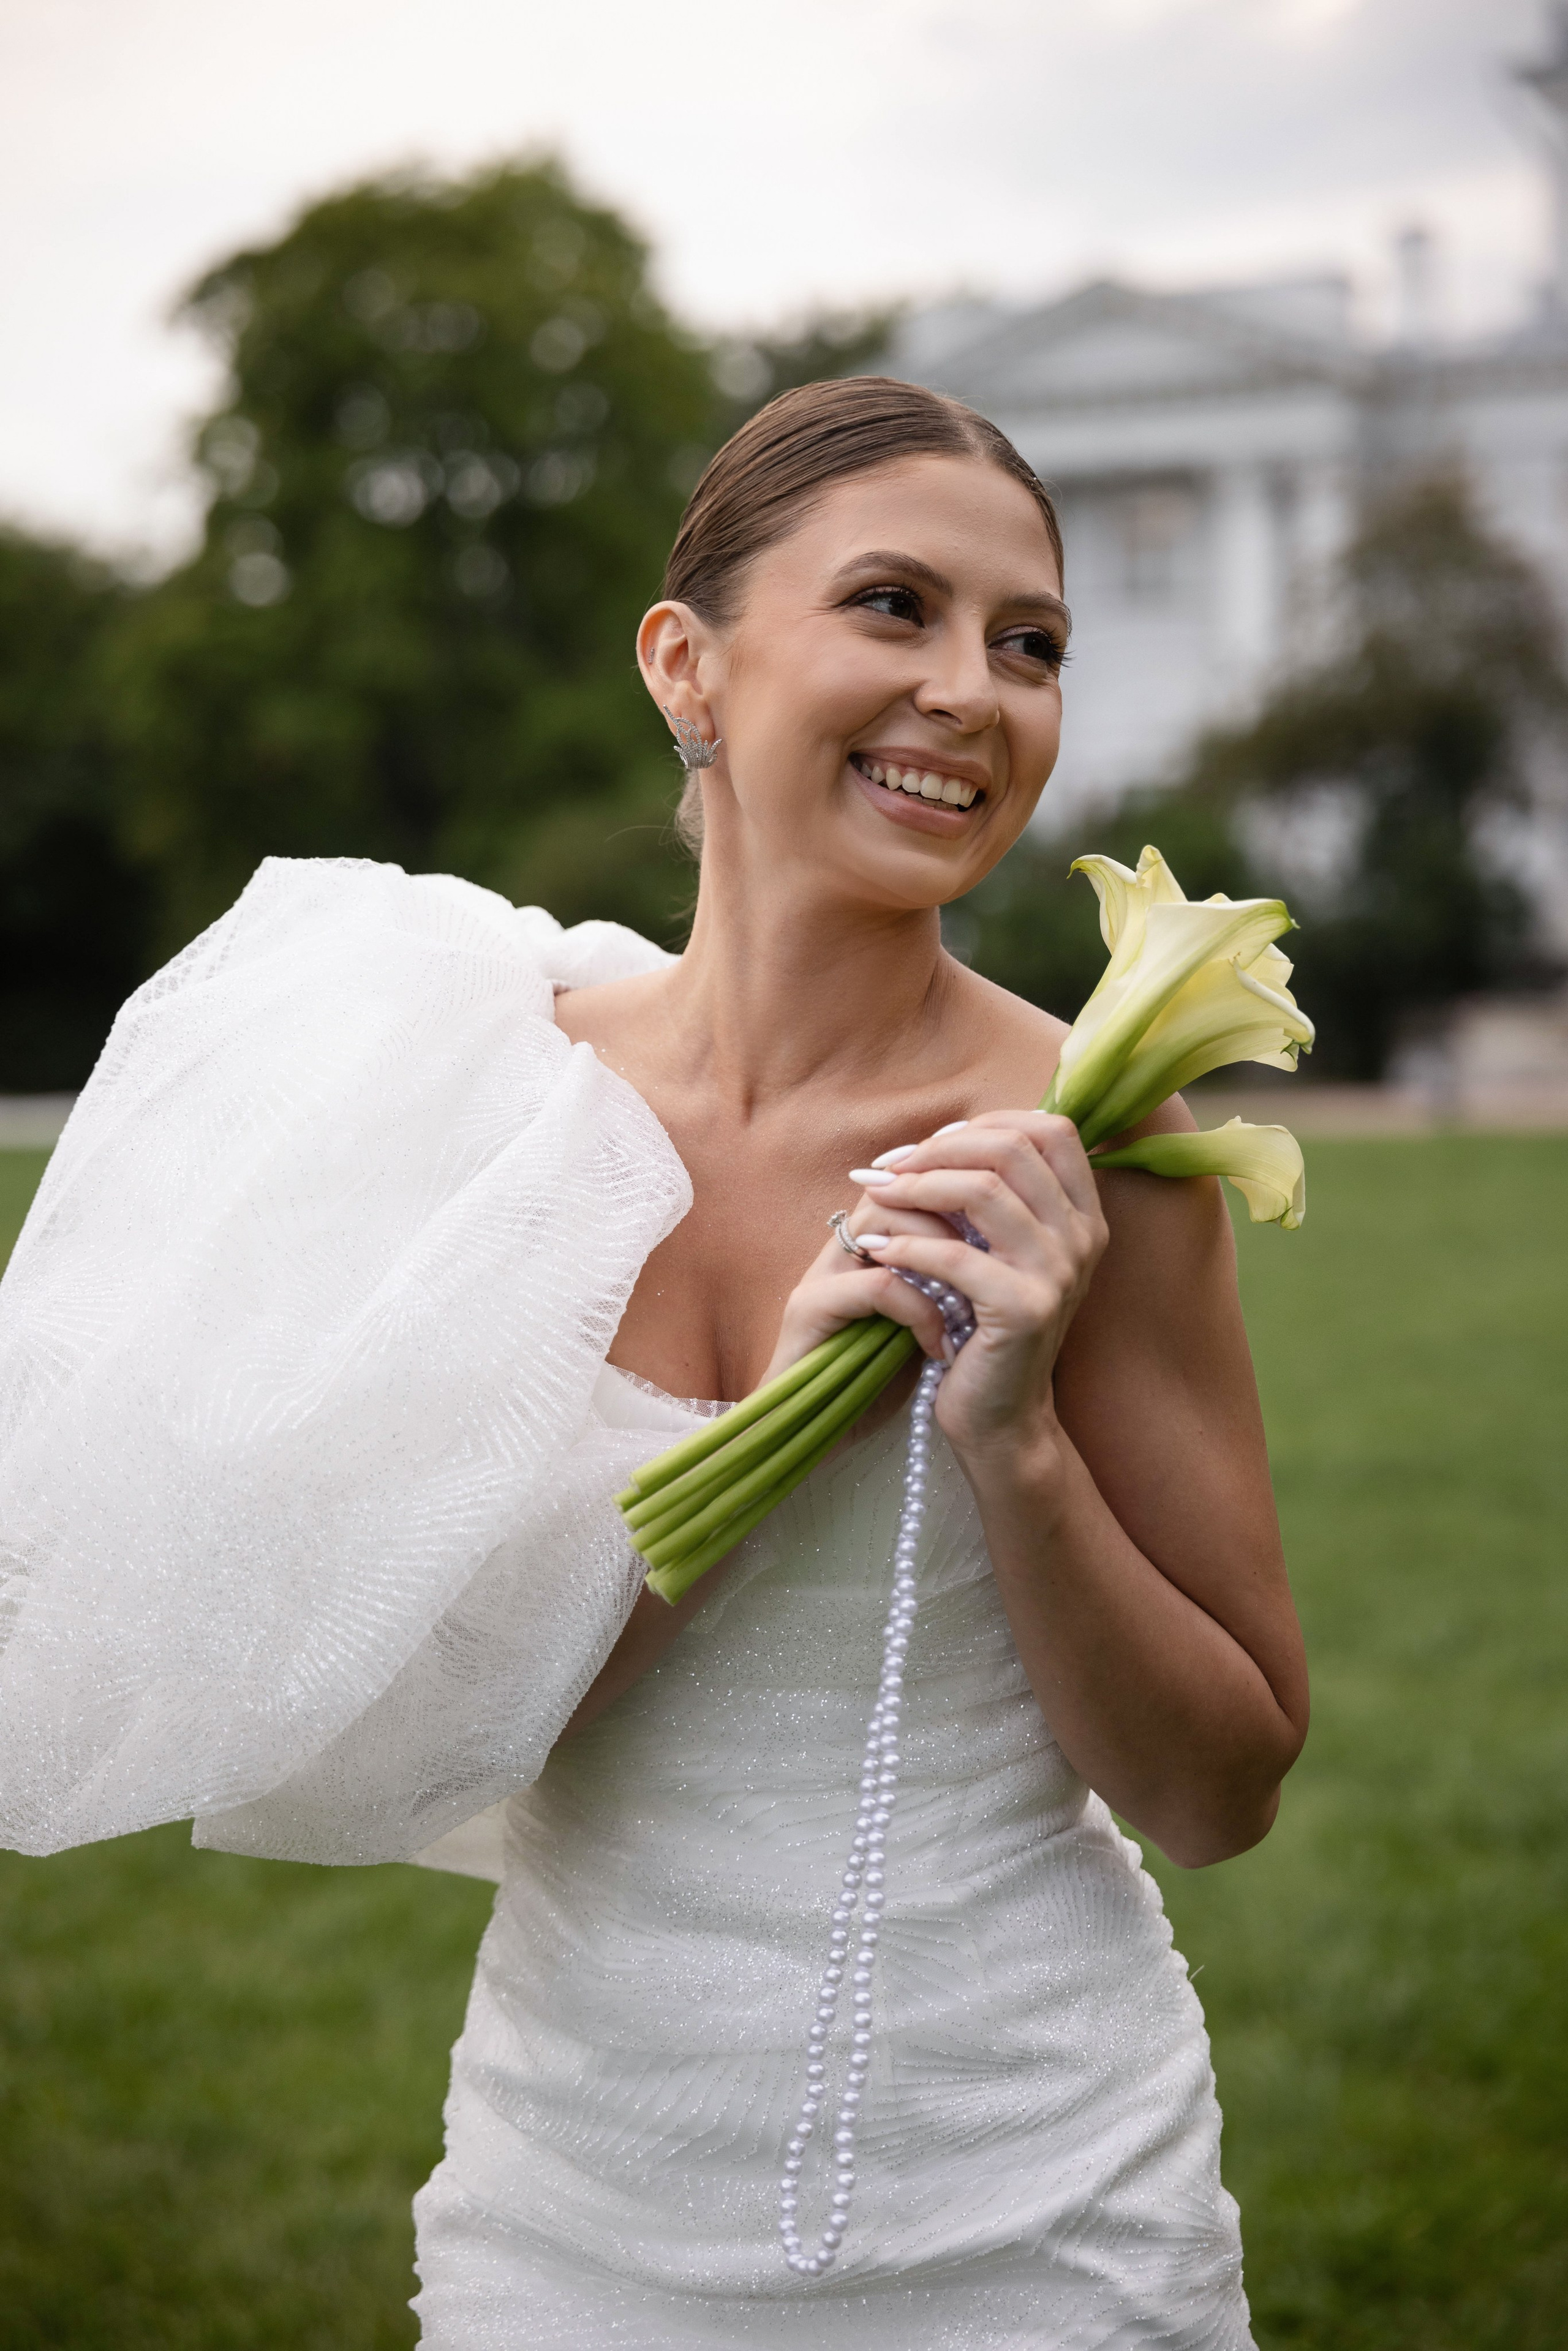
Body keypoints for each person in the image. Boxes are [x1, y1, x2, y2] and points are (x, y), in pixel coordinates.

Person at [0, 379, 1306, 2347]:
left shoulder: (1097, 1146)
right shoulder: (484, 1111)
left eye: (1029, 643)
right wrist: (764, 1446)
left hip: (1046, 2212)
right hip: (579, 2217)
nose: (975, 688)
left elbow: (1219, 1795)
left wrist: (1015, 1441)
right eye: (895, 607)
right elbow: (420, 1726)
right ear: (687, 665)